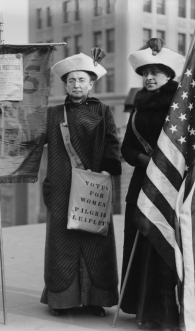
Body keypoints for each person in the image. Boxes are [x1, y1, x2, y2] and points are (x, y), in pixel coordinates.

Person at [40, 52, 122, 317]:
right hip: (62, 187)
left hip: (93, 187)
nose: (76, 84)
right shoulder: (53, 114)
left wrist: (108, 170)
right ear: (65, 84)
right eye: (71, 80)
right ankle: (62, 300)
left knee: (94, 242)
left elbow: (112, 142)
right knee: (62, 242)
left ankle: (94, 299)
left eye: (82, 80)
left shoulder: (102, 110)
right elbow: (29, 140)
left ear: (91, 84)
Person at [120, 39, 185, 331]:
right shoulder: (137, 107)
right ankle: (139, 307)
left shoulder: (180, 109)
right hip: (141, 183)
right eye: (145, 72)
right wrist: (143, 160)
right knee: (139, 238)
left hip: (170, 186)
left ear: (169, 76)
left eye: (156, 72)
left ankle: (162, 312)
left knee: (161, 244)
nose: (149, 77)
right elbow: (126, 149)